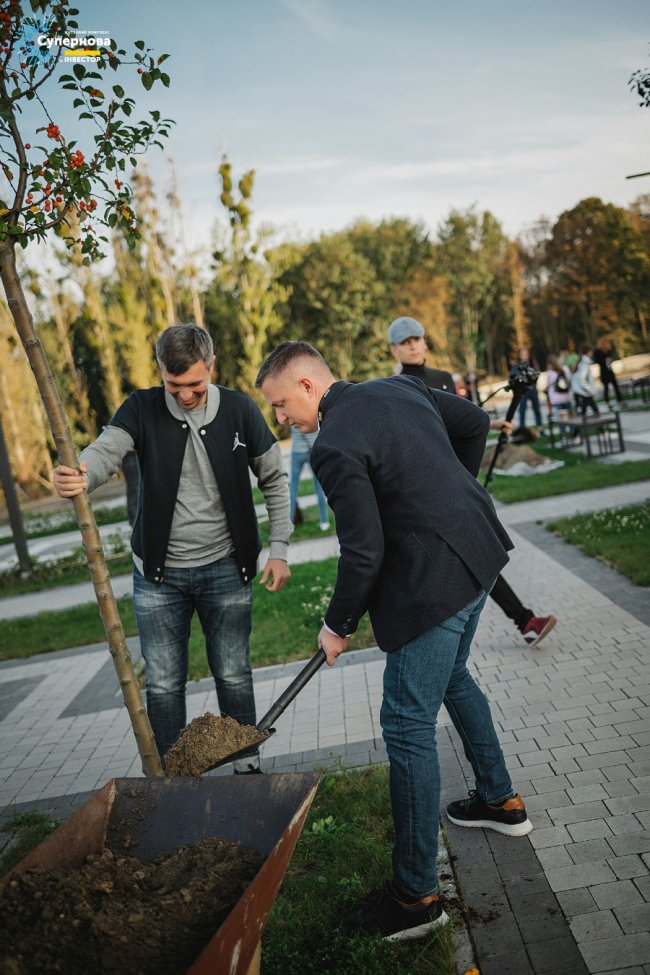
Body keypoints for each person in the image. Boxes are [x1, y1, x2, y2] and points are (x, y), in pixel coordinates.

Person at [256, 341, 533, 942]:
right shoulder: (398, 387)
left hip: (436, 583)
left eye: (280, 405)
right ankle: (500, 801)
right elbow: (474, 421)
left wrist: (336, 626)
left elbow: (362, 551)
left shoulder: (332, 443)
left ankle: (415, 897)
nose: (281, 419)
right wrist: (453, 490)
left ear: (307, 386)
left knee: (407, 725)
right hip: (480, 555)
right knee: (453, 678)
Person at [53, 323, 292, 771]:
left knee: (235, 673)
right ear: (160, 371)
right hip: (158, 578)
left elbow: (274, 479)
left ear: (212, 366)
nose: (184, 395)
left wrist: (278, 547)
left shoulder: (239, 409)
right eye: (174, 385)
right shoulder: (140, 408)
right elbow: (106, 451)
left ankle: (246, 764)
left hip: (227, 568)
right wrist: (81, 472)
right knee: (162, 684)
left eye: (195, 386)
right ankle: (171, 777)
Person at [388, 317, 556, 649]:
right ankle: (522, 620)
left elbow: (460, 416)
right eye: (405, 341)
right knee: (474, 552)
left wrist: (493, 424)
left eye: (417, 338)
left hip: (458, 476)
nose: (412, 345)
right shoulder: (396, 386)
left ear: (425, 341)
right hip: (429, 483)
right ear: (394, 348)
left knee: (473, 552)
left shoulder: (443, 378)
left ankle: (523, 621)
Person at [289, 426, 329, 530]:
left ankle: (289, 524)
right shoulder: (305, 412)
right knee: (318, 488)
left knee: (293, 488)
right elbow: (307, 432)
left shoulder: (290, 412)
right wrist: (314, 446)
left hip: (297, 451)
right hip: (311, 451)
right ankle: (324, 521)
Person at [545, 353, 574, 443]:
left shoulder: (550, 373)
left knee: (561, 419)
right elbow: (569, 380)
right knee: (570, 418)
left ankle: (564, 437)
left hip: (556, 399)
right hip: (566, 397)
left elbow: (549, 386)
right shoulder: (564, 369)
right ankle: (573, 436)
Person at [514, 347, 543, 433]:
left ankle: (540, 426)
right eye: (523, 355)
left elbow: (537, 374)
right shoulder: (517, 366)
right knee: (522, 409)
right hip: (523, 390)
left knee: (536, 408)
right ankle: (522, 428)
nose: (525, 356)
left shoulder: (532, 364)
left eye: (526, 354)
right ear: (520, 356)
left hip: (532, 388)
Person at [594, 336, 624, 410]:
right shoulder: (598, 351)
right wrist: (605, 360)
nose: (608, 344)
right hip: (604, 372)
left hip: (610, 370)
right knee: (606, 388)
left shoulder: (609, 350)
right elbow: (597, 361)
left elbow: (612, 358)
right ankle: (607, 402)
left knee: (615, 386)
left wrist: (611, 360)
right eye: (607, 342)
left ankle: (620, 400)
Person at [572, 344, 600, 416]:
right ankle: (599, 425)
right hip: (585, 389)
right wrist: (589, 389)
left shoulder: (583, 362)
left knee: (587, 409)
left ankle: (600, 425)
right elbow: (582, 379)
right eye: (591, 351)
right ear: (588, 352)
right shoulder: (584, 363)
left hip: (584, 390)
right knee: (589, 409)